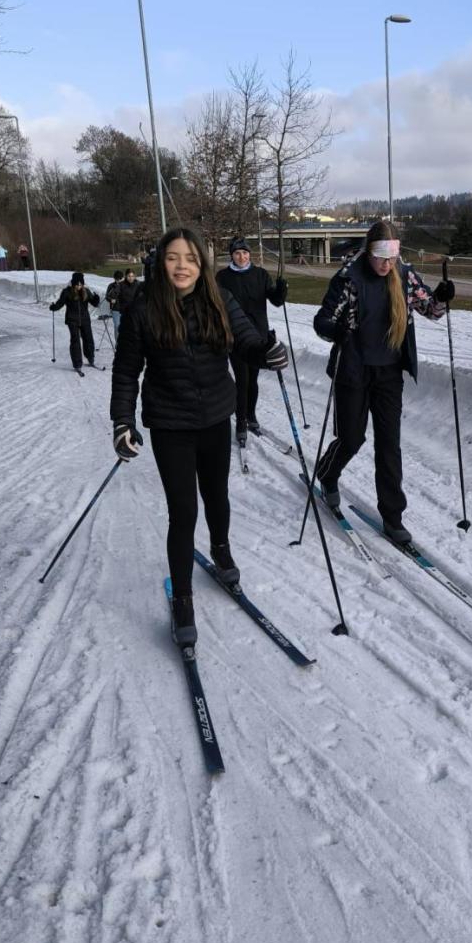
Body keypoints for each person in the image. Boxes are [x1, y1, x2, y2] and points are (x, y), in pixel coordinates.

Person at [110, 227, 289, 646]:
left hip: (213, 417)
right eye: (173, 258)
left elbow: (245, 341)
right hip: (170, 424)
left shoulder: (219, 299)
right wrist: (122, 420)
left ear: (201, 264)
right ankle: (184, 597)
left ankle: (222, 550)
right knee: (183, 511)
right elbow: (125, 371)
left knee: (217, 495)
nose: (181, 266)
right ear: (161, 262)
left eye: (189, 258)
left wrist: (265, 351)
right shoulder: (143, 309)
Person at [312, 220, 454, 545]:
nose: (385, 264)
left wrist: (443, 298)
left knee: (389, 446)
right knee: (351, 439)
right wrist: (337, 332)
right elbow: (322, 321)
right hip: (353, 370)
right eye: (380, 257)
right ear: (369, 251)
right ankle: (327, 473)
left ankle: (393, 516)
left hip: (389, 373)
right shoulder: (350, 278)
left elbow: (431, 310)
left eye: (391, 258)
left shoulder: (403, 276)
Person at [215, 237, 288, 438]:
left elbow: (276, 301)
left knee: (253, 380)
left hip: (258, 335)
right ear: (232, 255)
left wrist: (281, 290)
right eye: (238, 253)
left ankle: (251, 415)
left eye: (245, 253)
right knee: (242, 379)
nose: (242, 257)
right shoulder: (222, 276)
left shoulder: (260, 274)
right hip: (235, 335)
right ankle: (240, 421)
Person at [49, 272, 101, 370]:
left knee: (88, 338)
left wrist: (96, 299)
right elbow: (60, 303)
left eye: (81, 284)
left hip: (85, 319)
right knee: (75, 341)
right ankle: (77, 364)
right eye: (77, 284)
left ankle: (90, 358)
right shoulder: (67, 292)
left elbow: (94, 303)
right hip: (72, 320)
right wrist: (54, 307)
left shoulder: (86, 291)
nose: (79, 286)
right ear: (73, 284)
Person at [105, 270, 124, 337]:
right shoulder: (111, 286)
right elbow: (107, 296)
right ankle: (118, 345)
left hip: (125, 310)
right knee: (117, 326)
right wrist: (111, 300)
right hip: (115, 309)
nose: (118, 280)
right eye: (116, 279)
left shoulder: (126, 286)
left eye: (119, 279)